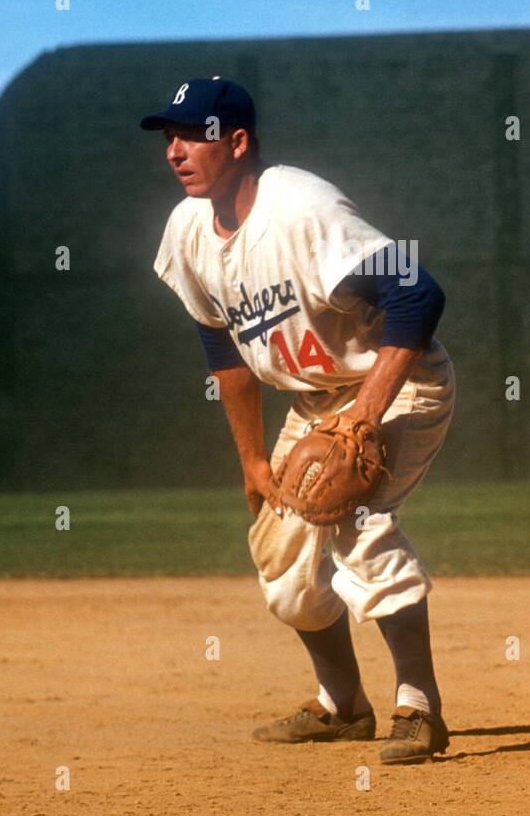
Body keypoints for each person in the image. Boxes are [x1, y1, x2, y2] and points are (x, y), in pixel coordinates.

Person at [141, 77, 456, 764]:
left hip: (394, 381)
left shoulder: (302, 208)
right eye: (169, 136)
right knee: (279, 553)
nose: (175, 150)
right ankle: (343, 706)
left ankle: (418, 706)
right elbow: (221, 345)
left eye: (192, 134)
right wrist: (252, 459)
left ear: (238, 141)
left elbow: (418, 295)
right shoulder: (189, 230)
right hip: (314, 403)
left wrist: (363, 418)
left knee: (353, 518)